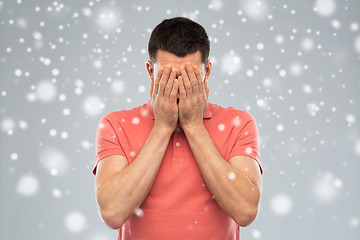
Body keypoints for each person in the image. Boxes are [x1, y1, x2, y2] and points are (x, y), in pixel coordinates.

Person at [93, 17, 263, 240]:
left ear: (207, 71)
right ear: (151, 72)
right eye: (169, 76)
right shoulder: (116, 124)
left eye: (190, 76)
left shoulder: (238, 123)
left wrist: (193, 126)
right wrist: (163, 126)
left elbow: (246, 211)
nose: (179, 86)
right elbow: (112, 213)